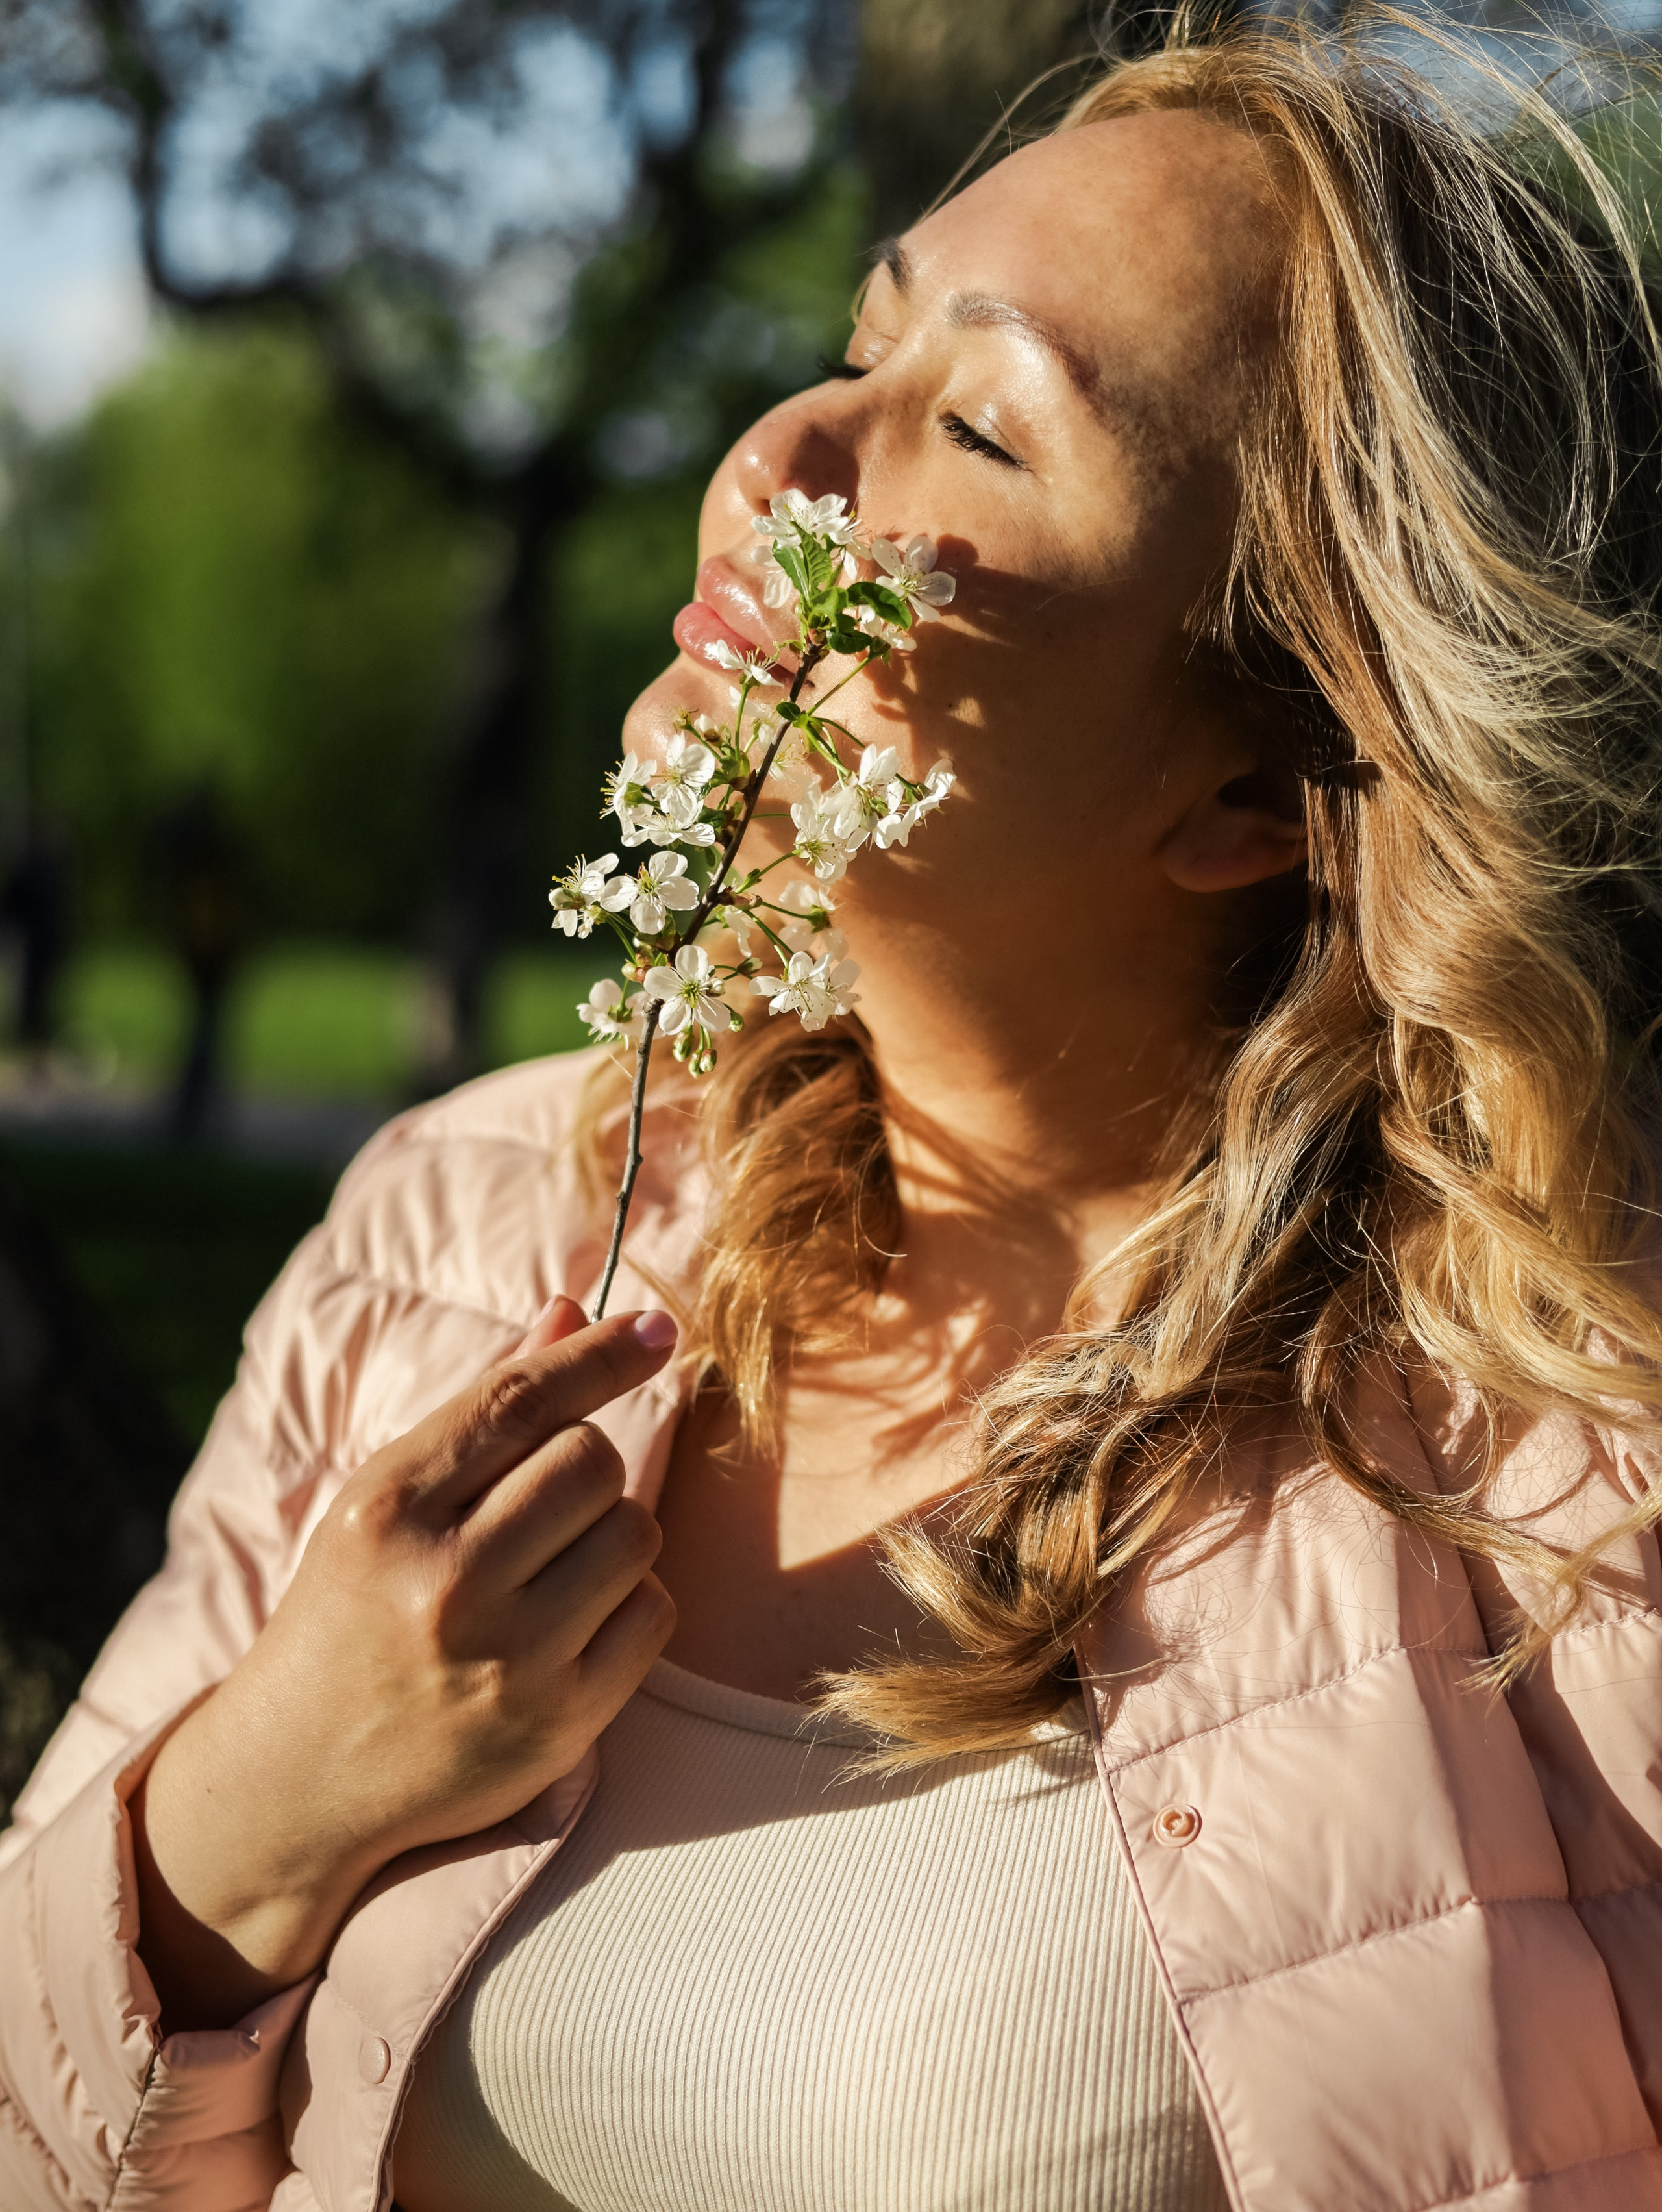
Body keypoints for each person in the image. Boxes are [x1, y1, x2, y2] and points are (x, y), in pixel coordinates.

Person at [5, 24, 1662, 2212]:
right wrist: (256, 1811)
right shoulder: (458, 1225)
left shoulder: (1568, 1466)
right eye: (857, 340)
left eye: (976, 426)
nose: (782, 456)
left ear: (1258, 794)